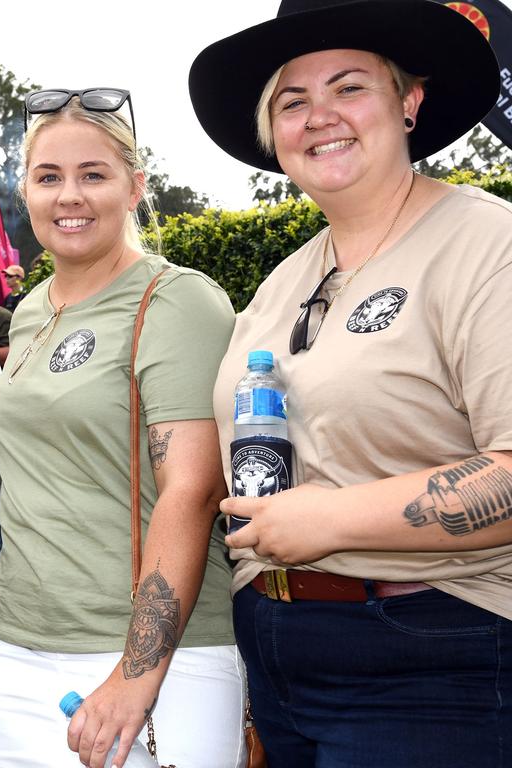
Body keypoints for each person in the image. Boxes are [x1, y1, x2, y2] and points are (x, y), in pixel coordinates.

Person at [190, 1, 512, 764]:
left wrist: (332, 521)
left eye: (349, 88)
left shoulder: (487, 244)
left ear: (409, 101)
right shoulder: (281, 282)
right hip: (277, 658)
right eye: (292, 101)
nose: (319, 117)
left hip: (432, 658)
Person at [0, 89, 245, 768]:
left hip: (150, 662)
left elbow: (191, 491)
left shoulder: (176, 300)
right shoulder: (34, 308)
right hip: (16, 653)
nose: (70, 196)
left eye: (93, 175)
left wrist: (136, 674)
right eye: (49, 177)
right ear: (26, 191)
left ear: (135, 186)